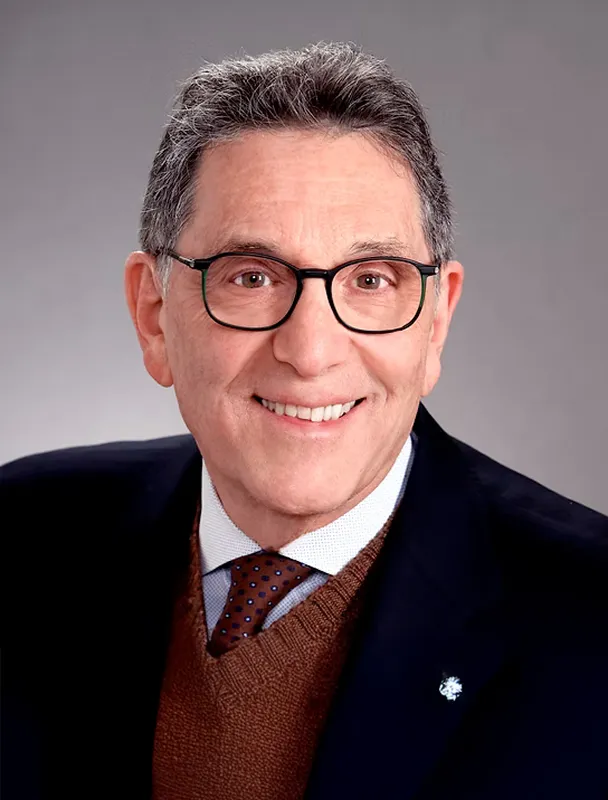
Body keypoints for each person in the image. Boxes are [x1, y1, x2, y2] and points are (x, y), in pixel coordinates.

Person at [2, 41, 607, 800]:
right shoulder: (22, 534)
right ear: (153, 315)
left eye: (371, 279)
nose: (312, 351)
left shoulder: (593, 622)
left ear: (437, 322)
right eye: (252, 277)